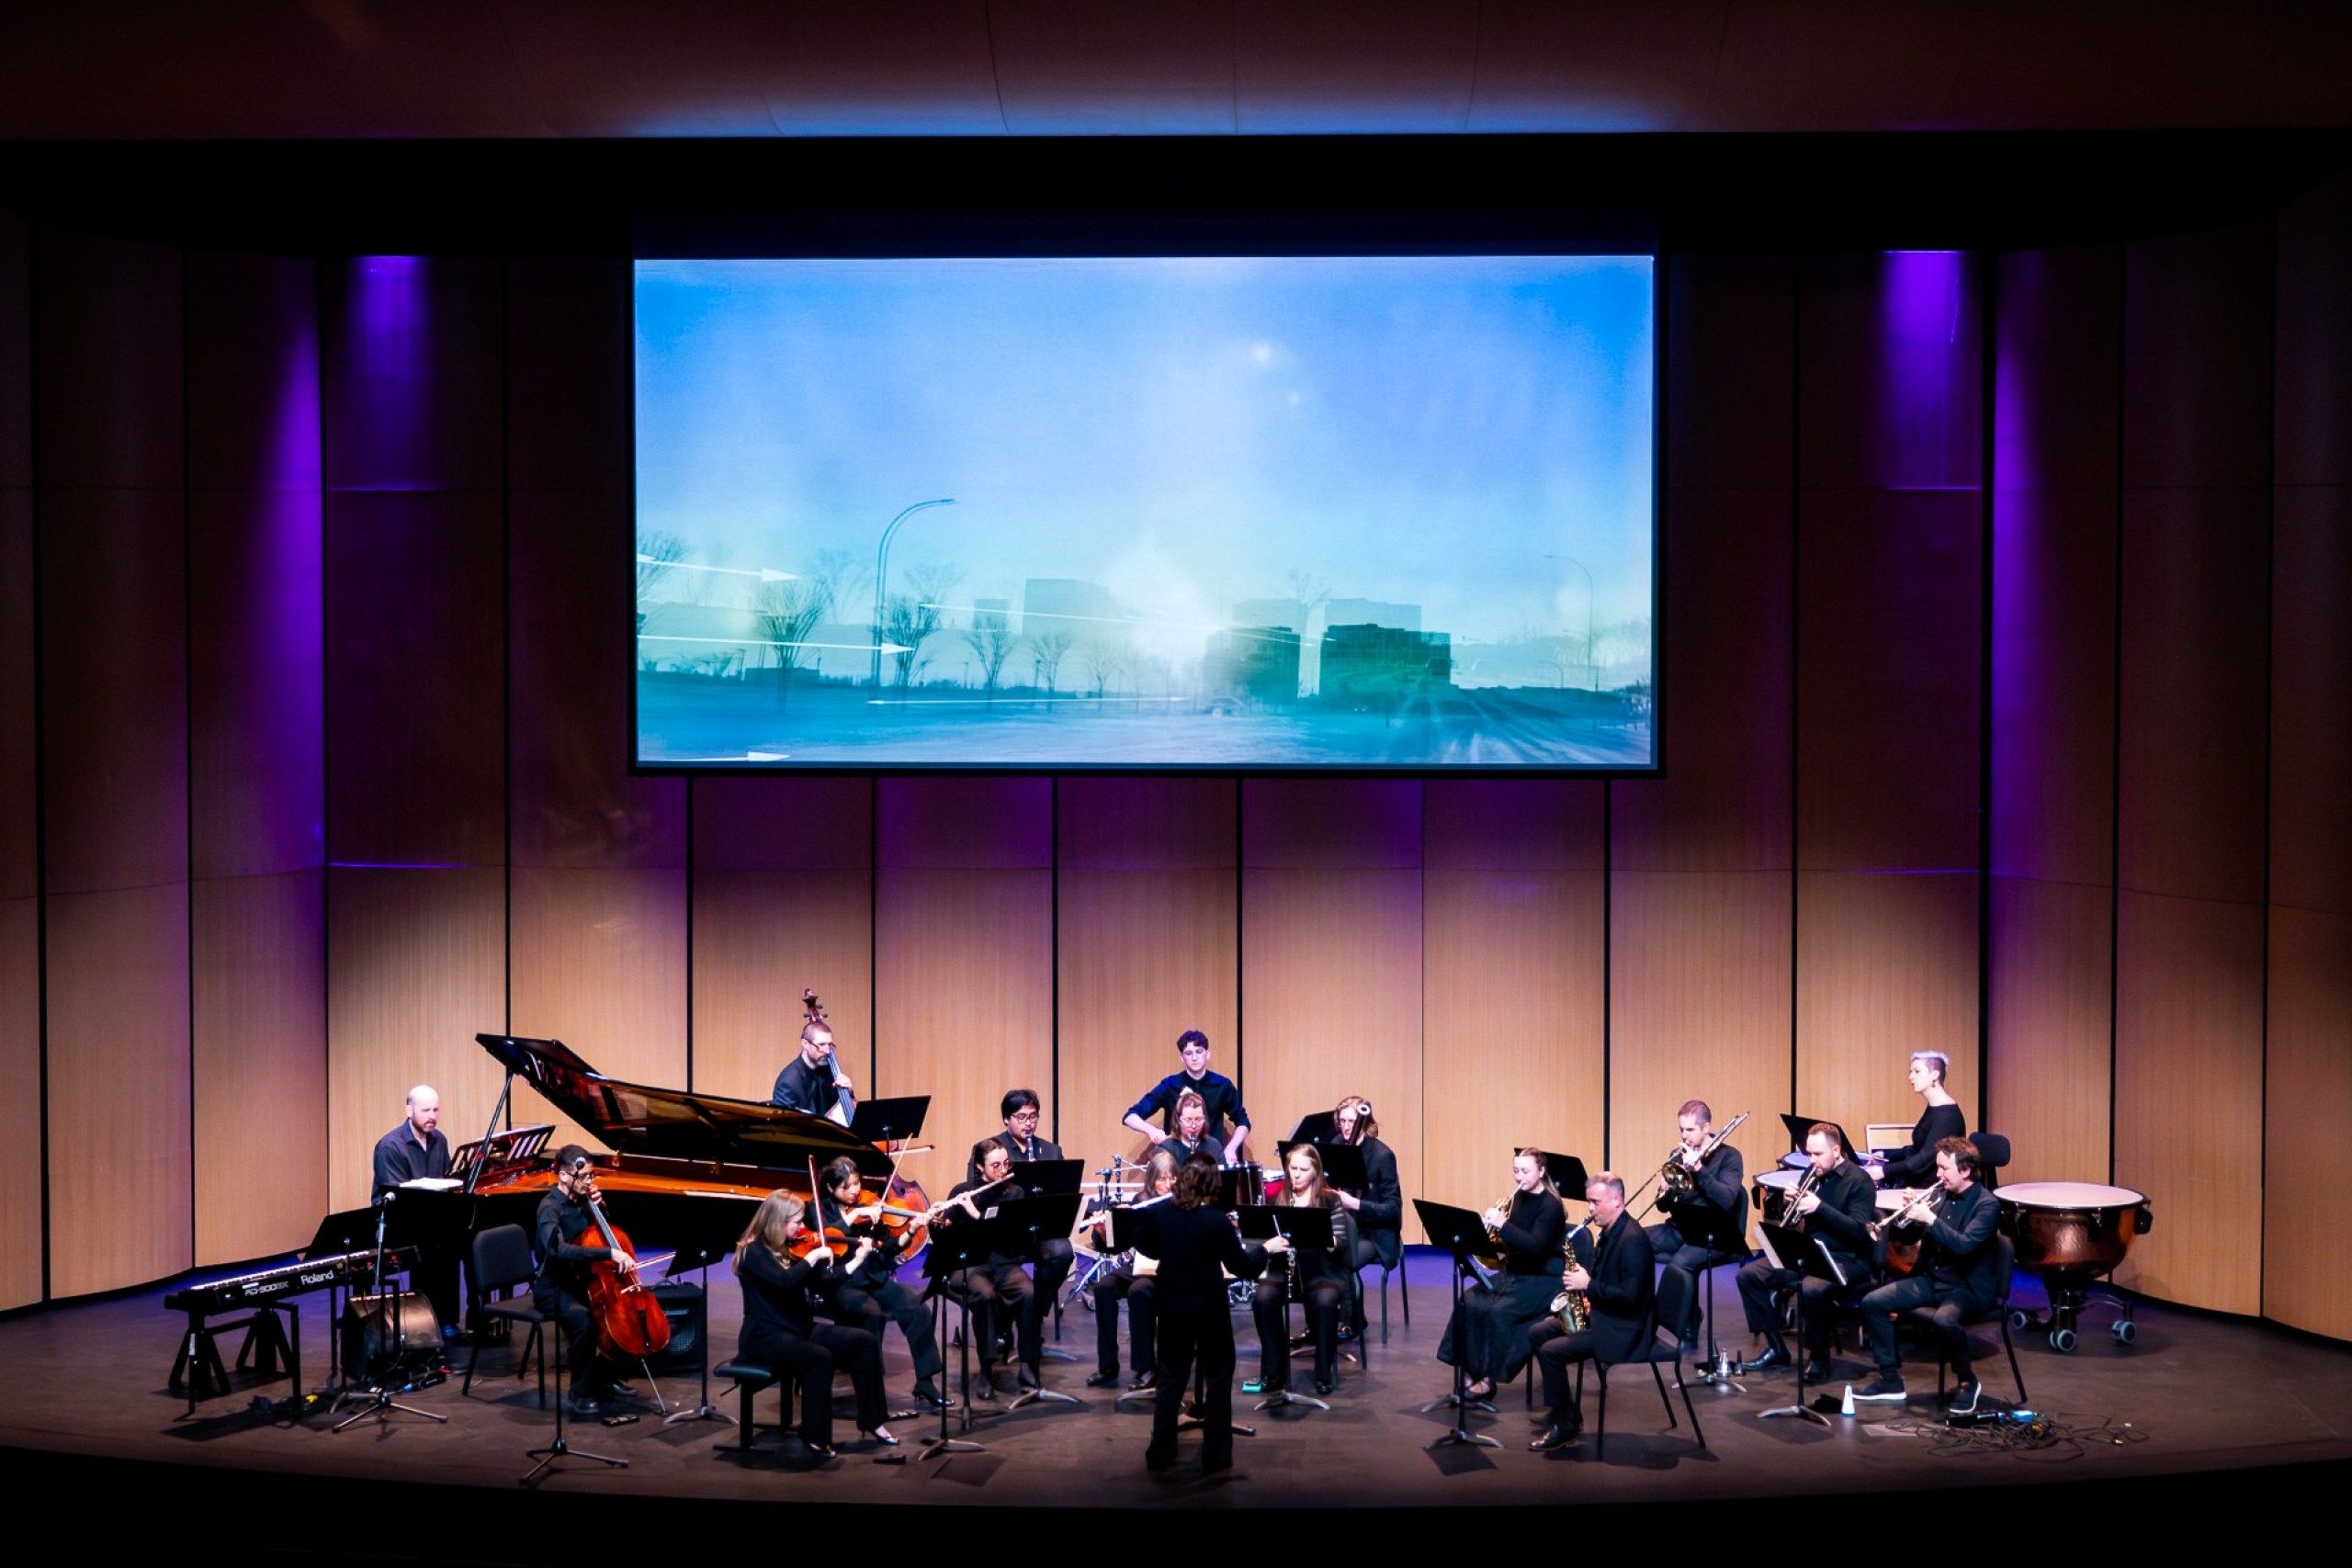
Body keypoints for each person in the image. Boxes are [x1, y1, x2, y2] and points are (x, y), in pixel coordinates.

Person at [1135, 1152, 1281, 1474]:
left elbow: (1144, 1244)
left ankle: (1160, 1453)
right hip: (1209, 1307)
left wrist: (1167, 1251)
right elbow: (1241, 1267)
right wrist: (1265, 1249)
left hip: (1172, 1306)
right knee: (1218, 1377)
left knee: (1171, 1377)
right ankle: (1215, 1456)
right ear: (1212, 1184)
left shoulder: (1161, 1214)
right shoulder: (1216, 1221)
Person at [732, 1190, 896, 1457]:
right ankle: (815, 1437)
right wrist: (813, 1258)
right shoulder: (754, 1251)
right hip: (765, 1336)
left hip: (798, 1329)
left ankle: (873, 1421)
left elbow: (824, 1285)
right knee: (819, 1357)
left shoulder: (793, 1247)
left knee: (864, 1341)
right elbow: (785, 1282)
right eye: (796, 1222)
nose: (802, 1228)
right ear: (777, 1221)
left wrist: (856, 1261)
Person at [1852, 1136, 2003, 1411]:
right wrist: (1910, 1216)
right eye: (1938, 1167)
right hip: (1933, 1280)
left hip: (1967, 1287)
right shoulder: (1941, 1195)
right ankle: (1890, 1380)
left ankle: (1967, 1380)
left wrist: (1930, 1218)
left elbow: (1965, 1246)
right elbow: (1910, 1239)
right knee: (1873, 1302)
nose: (1938, 1174)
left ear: (1965, 1171)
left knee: (1945, 1320)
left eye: (1944, 1168)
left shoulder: (1987, 1205)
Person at [1736, 1121, 1877, 1380]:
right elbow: (1793, 1223)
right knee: (1749, 1275)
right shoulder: (1811, 1175)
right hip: (1809, 1252)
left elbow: (1858, 1231)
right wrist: (1789, 1204)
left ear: (1836, 1151)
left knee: (1811, 1289)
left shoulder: (1860, 1181)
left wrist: (1819, 1207)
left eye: (1818, 1154)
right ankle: (1776, 1348)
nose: (1812, 1161)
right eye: (1809, 1154)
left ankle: (1819, 1359)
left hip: (1846, 1258)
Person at [812, 1156, 954, 1410]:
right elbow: (826, 1235)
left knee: (917, 1309)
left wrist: (910, 1231)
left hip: (873, 1278)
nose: (854, 1190)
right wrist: (854, 1216)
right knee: (872, 1314)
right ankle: (871, 1389)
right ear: (831, 1188)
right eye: (846, 1187)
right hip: (840, 1283)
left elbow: (888, 1248)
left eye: (857, 1183)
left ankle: (925, 1382)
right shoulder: (818, 1210)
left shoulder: (871, 1207)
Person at [1529, 1171, 1657, 1450]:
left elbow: (1631, 1299)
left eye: (1595, 1202)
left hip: (1624, 1329)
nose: (1590, 1209)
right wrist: (1581, 1297)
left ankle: (1563, 1426)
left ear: (1617, 1201)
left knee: (1551, 1352)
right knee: (1539, 1332)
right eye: (1589, 1202)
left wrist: (1588, 1284)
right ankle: (1566, 1412)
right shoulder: (1612, 1232)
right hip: (1604, 1315)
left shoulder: (1632, 1240)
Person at [1435, 1148, 1566, 1400]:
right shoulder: (1518, 1198)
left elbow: (1536, 1247)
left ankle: (1487, 1379)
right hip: (1514, 1272)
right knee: (1468, 1302)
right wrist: (1485, 1235)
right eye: (1516, 1171)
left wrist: (1503, 1225)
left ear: (1541, 1171)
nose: (1520, 1177)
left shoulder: (1551, 1207)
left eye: (1525, 1171)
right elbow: (1512, 1244)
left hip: (1542, 1279)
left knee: (1497, 1313)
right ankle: (1468, 1372)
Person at [531, 1145, 639, 1415]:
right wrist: (609, 1253)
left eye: (591, 1175)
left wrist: (601, 1208)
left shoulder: (584, 1202)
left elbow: (604, 1233)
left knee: (626, 1316)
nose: (588, 1182)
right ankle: (580, 1393)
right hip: (553, 1287)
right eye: (583, 1177)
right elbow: (558, 1250)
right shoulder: (549, 1209)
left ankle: (604, 1377)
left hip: (582, 1283)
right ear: (563, 1176)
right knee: (584, 1323)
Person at [933, 1138, 1038, 1399]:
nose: (1002, 1170)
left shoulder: (1014, 1193)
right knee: (984, 1295)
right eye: (995, 1165)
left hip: (1002, 1262)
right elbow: (943, 1237)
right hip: (968, 1263)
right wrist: (936, 1221)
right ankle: (987, 1369)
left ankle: (1027, 1363)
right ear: (980, 1166)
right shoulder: (962, 1191)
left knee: (1028, 1292)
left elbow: (1007, 1236)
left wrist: (976, 1214)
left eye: (1006, 1164)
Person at [1250, 1144, 1357, 1397]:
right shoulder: (1279, 1199)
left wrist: (1321, 1235)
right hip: (1284, 1270)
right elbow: (1264, 1238)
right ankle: (1274, 1372)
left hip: (1320, 1270)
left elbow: (1341, 1244)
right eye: (1293, 1168)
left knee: (1326, 1300)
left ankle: (1323, 1373)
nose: (1296, 1175)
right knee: (1263, 1299)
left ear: (1315, 1172)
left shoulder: (1330, 1200)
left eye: (1303, 1170)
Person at [968, 1089, 1073, 1310]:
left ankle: (1036, 1308)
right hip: (1002, 1231)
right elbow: (975, 1192)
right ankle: (1012, 1309)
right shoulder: (989, 1150)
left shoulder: (1052, 1151)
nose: (1029, 1123)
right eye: (1021, 1117)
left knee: (1063, 1252)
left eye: (1033, 1117)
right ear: (1006, 1119)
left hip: (1038, 1229)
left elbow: (1063, 1194)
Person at [370, 1084, 460, 1338]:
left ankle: (447, 1320)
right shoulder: (390, 1146)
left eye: (436, 1110)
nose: (432, 1116)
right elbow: (398, 1197)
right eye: (425, 1110)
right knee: (433, 1247)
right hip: (398, 1221)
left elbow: (446, 1180)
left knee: (456, 1240)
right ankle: (427, 1323)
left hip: (428, 1216)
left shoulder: (439, 1140)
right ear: (409, 1110)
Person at [1085, 1150, 1178, 1390]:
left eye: (1172, 1178)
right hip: (1141, 1263)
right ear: (1151, 1180)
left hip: (1167, 1267)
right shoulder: (1140, 1201)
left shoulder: (1182, 1204)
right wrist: (1103, 1231)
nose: (1168, 1185)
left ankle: (1145, 1368)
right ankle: (1107, 1366)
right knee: (1103, 1288)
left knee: (1139, 1292)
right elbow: (1118, 1246)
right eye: (1162, 1179)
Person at [1643, 1099, 1748, 1278]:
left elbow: (1727, 1199)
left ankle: (1681, 1298)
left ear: (1706, 1127)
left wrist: (1699, 1169)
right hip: (1680, 1228)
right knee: (1632, 1243)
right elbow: (1662, 1208)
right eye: (1681, 1129)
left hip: (1715, 1234)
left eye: (1690, 1130)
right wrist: (1664, 1191)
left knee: (1678, 1265)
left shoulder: (1730, 1156)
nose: (1684, 1136)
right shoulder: (1678, 1155)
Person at [1123, 1029, 1250, 1163]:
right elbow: (1130, 1117)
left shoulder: (1223, 1085)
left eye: (1199, 1052)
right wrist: (1151, 1130)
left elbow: (1243, 1122)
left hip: (1211, 1162)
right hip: (1176, 1162)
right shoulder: (1169, 1085)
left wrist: (1231, 1148)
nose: (1194, 1058)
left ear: (1207, 1054)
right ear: (1182, 1058)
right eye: (1189, 1053)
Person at [1874, 1050, 1966, 1186]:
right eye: (1910, 1072)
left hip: (1933, 1186)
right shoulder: (1934, 1107)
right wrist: (1884, 1155)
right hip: (1919, 1180)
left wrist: (1884, 1171)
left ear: (1935, 1075)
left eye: (1917, 1072)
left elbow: (1924, 1159)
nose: (1911, 1077)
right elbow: (1917, 1148)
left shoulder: (1947, 1116)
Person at [771, 1018, 854, 1123]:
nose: (827, 1051)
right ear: (805, 1044)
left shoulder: (829, 1071)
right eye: (821, 1045)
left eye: (829, 1044)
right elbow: (786, 1126)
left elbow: (841, 1111)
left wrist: (848, 1092)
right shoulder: (788, 1082)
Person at [1155, 1090, 1222, 1165]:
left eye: (1198, 1119)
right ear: (1178, 1119)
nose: (1194, 1126)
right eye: (1188, 1120)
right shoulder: (1166, 1148)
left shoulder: (1214, 1146)